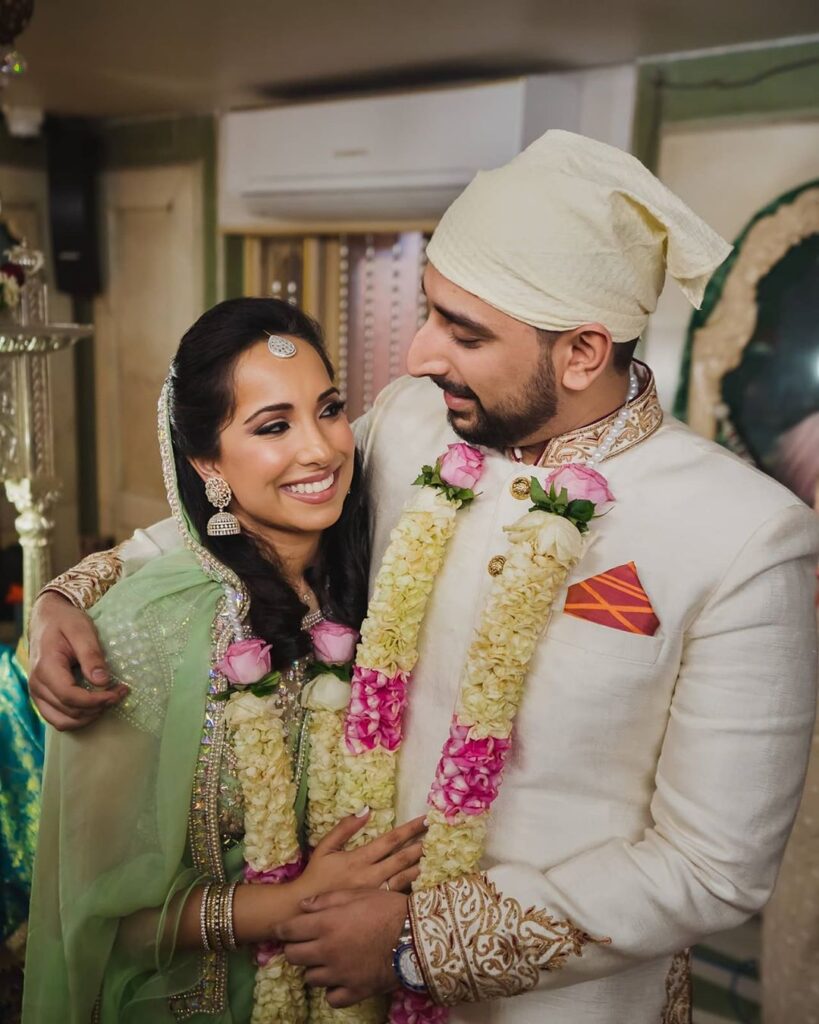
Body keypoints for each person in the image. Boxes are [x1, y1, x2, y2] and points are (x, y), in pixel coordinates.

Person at [29, 131, 819, 1024]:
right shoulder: (416, 424)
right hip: (343, 991)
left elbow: (714, 865)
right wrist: (77, 590)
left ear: (583, 352)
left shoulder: (743, 534)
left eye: (463, 331)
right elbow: (245, 502)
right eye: (429, 311)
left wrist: (417, 945)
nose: (415, 356)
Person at [22, 298, 425, 1024]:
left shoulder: (377, 582)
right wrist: (288, 904)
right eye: (273, 426)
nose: (321, 449)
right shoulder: (147, 631)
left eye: (328, 410)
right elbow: (95, 915)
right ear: (206, 461)